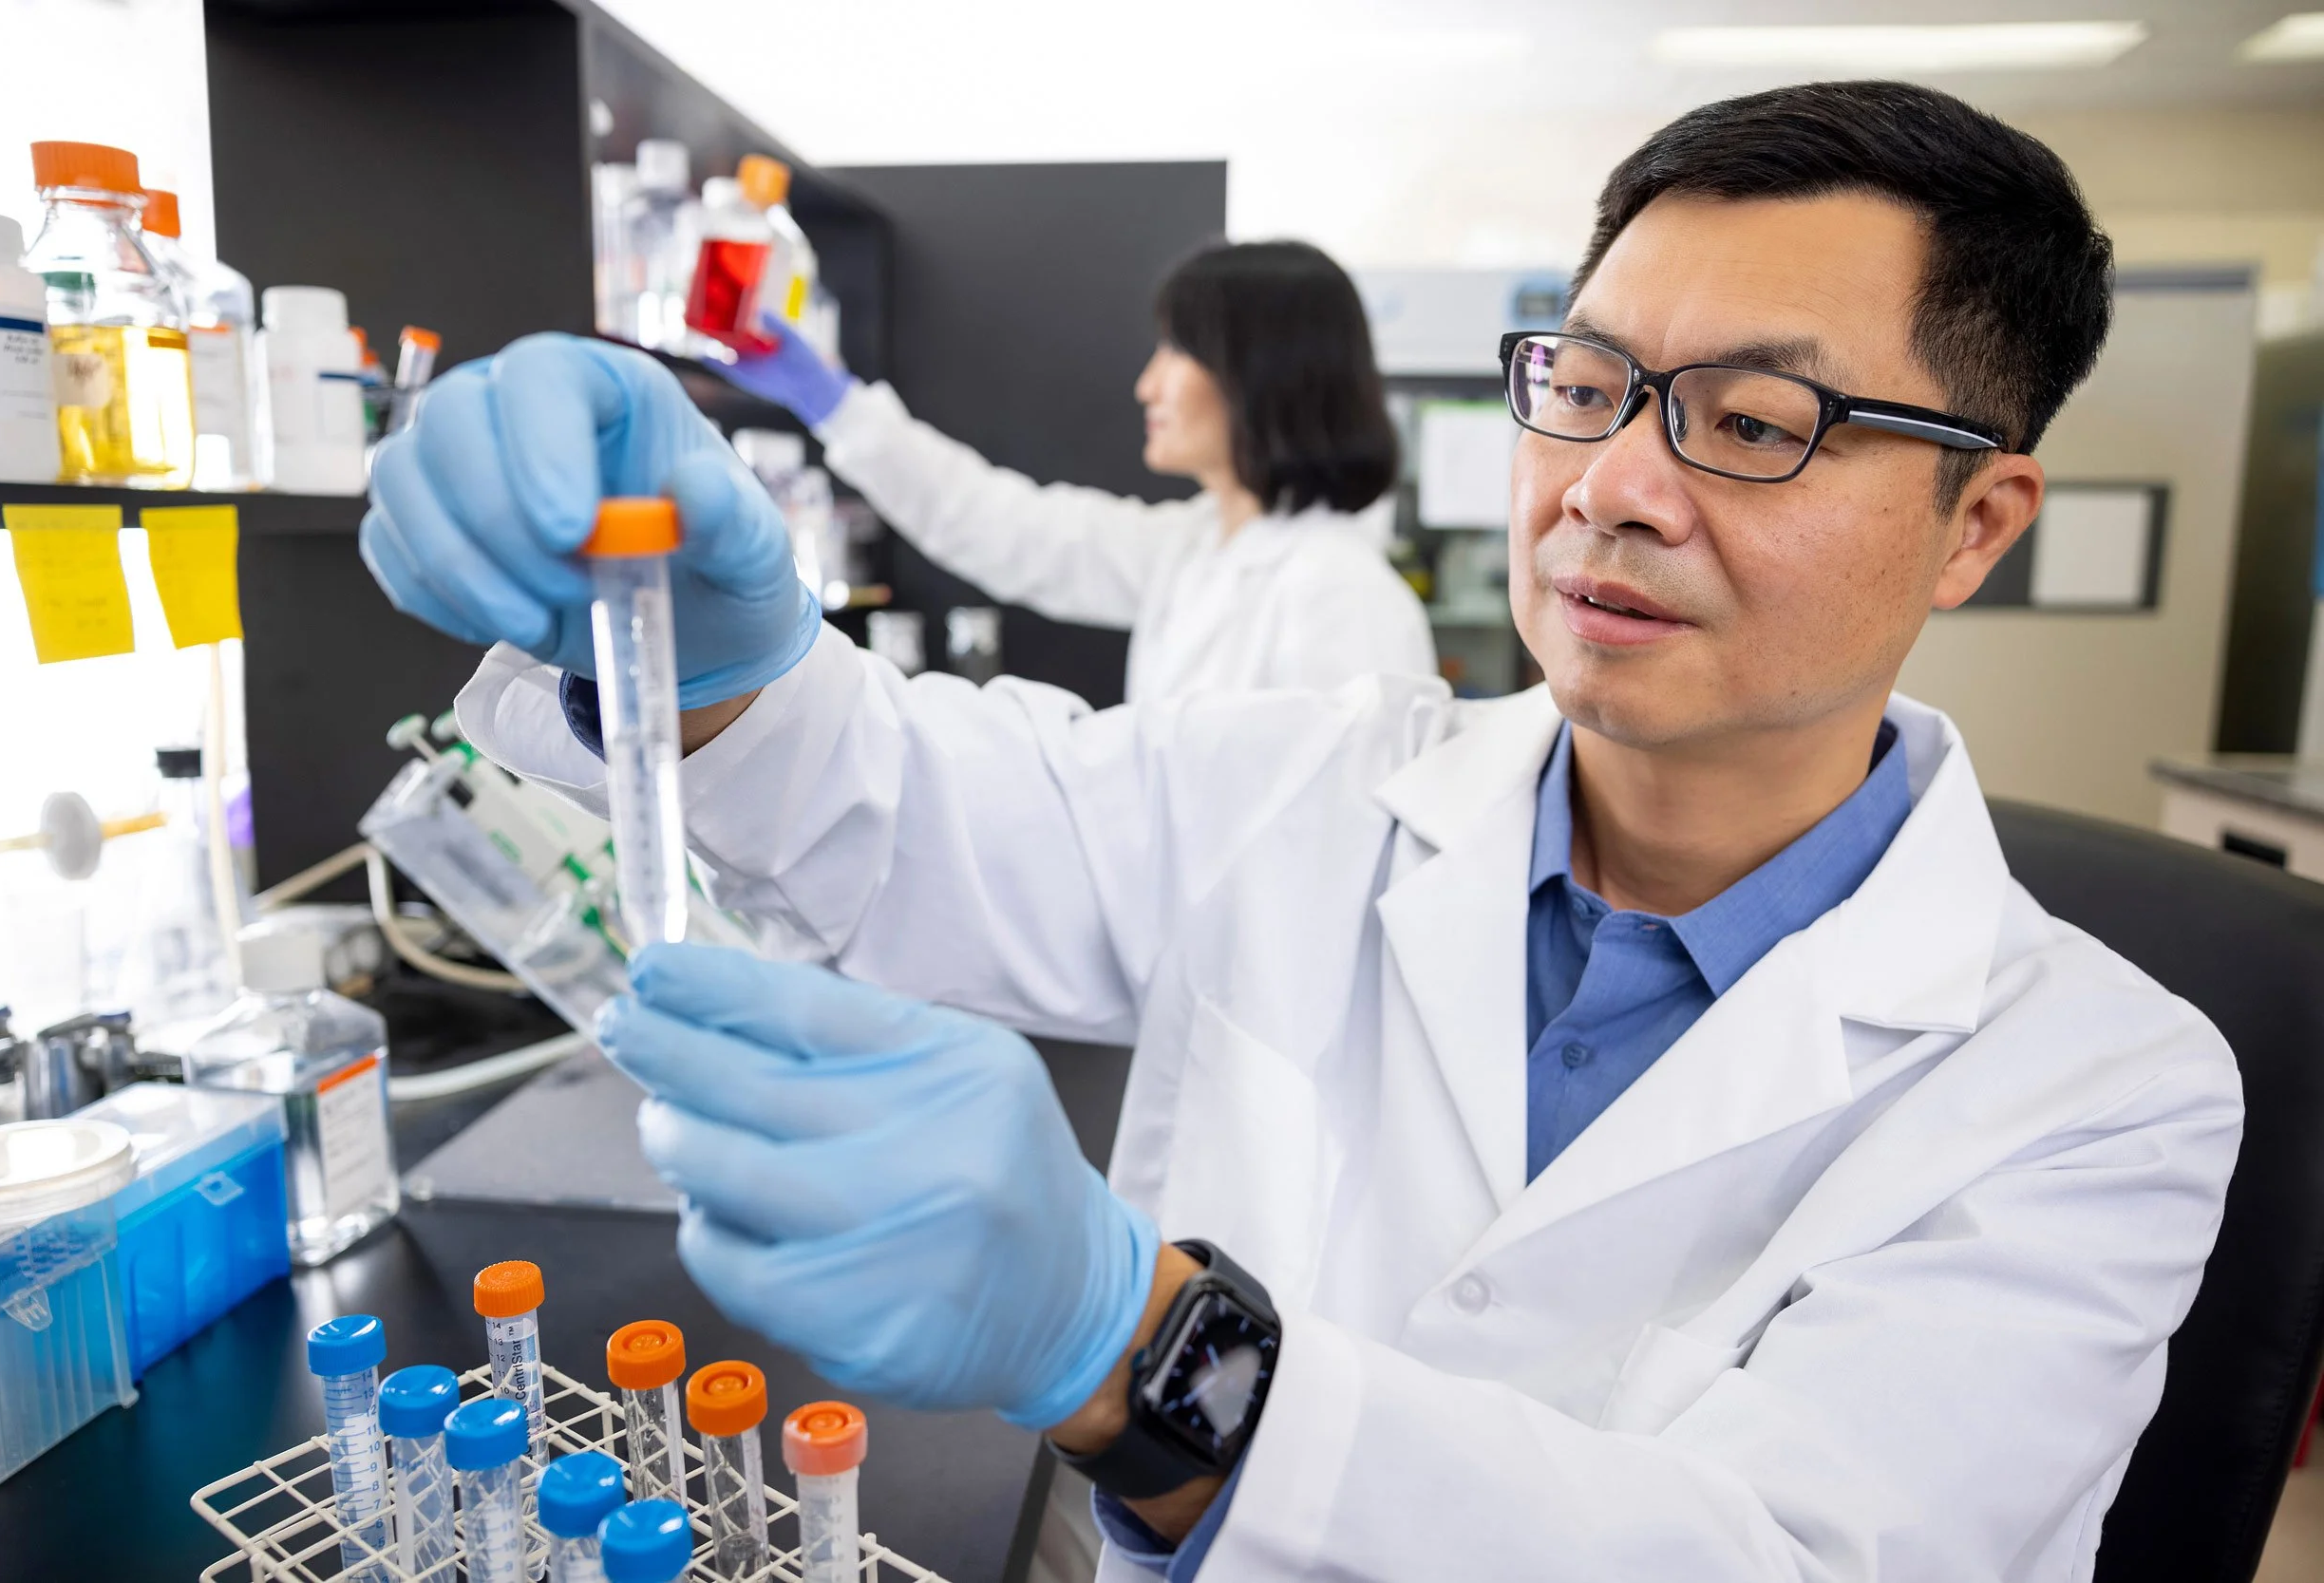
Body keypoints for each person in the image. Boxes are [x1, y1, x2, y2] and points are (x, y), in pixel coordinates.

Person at [363, 82, 2241, 1582]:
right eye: (1586, 387)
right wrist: (712, 653)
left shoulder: (2102, 1094)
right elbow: (908, 809)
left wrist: (1137, 1349)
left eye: (1752, 421)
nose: (1608, 488)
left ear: (1975, 523)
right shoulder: (1307, 783)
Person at [713, 239, 1436, 700]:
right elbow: (1003, 527)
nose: (1147, 386)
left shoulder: (1342, 595)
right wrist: (836, 406)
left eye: (1178, 351)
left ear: (1264, 374)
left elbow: (1348, 855)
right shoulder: (1193, 548)